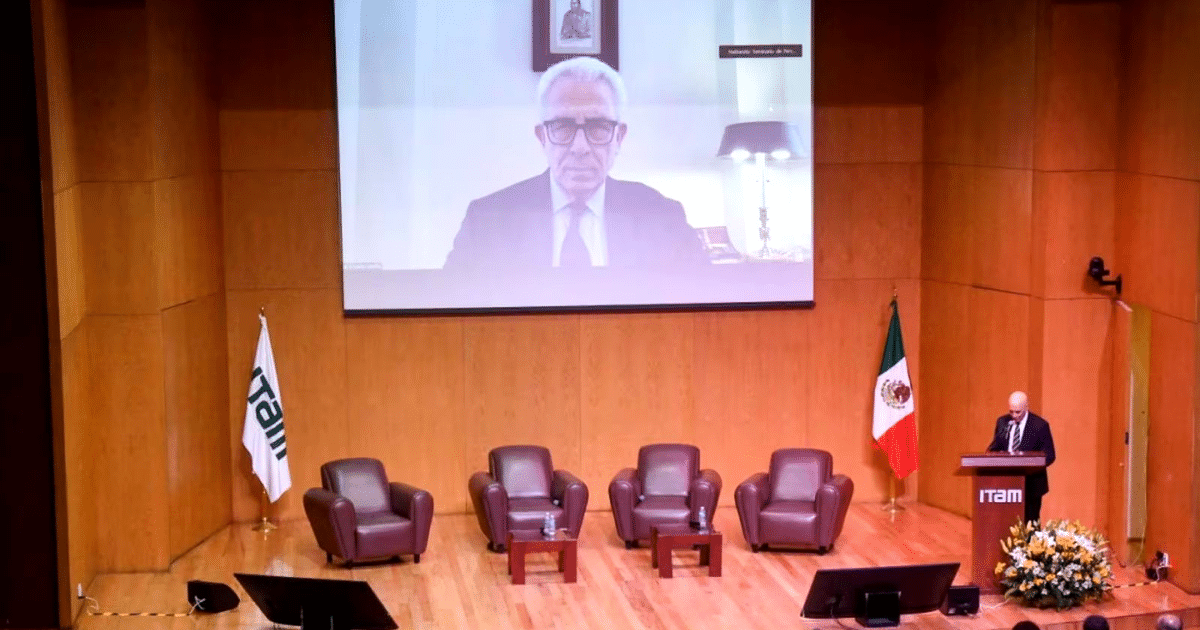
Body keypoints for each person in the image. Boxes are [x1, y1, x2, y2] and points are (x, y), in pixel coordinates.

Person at [444, 56, 709, 270]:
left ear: (619, 137)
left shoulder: (663, 218)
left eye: (598, 127)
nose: (580, 148)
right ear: (542, 136)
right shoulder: (487, 221)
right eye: (562, 127)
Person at [986, 391, 1056, 525]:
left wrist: (1030, 465)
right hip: (1006, 484)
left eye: (1018, 412)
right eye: (1011, 411)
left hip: (1031, 484)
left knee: (1030, 524)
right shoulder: (1002, 422)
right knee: (1007, 523)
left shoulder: (1040, 426)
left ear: (1026, 407)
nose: (1014, 415)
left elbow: (1050, 455)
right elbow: (995, 446)